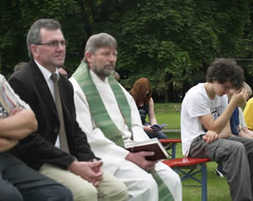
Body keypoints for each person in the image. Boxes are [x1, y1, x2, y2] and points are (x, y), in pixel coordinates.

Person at [8, 19, 128, 201]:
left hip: (71, 157)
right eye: (53, 43)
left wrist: (89, 159)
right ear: (35, 50)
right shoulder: (21, 82)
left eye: (63, 43)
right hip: (40, 162)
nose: (60, 48)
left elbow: (74, 129)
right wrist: (71, 164)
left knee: (117, 190)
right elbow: (28, 139)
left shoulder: (64, 84)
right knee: (85, 193)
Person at [69, 33, 182, 201]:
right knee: (144, 185)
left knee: (172, 179)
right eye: (106, 54)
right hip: (106, 157)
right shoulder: (75, 89)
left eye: (114, 54)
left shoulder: (117, 89)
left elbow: (134, 124)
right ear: (89, 56)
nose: (112, 59)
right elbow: (87, 136)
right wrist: (128, 156)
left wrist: (143, 148)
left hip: (132, 149)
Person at [181, 58, 253, 201]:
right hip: (195, 143)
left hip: (215, 140)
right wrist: (233, 103)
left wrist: (214, 131)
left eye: (230, 88)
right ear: (215, 79)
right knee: (236, 148)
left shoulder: (220, 96)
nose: (228, 91)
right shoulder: (196, 95)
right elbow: (214, 127)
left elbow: (226, 131)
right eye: (226, 87)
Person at [0, 74, 73, 201]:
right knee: (10, 196)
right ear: (35, 52)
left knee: (60, 194)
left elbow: (31, 122)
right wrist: (15, 132)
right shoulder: (22, 80)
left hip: (4, 157)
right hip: (31, 156)